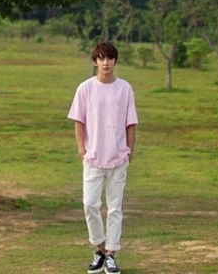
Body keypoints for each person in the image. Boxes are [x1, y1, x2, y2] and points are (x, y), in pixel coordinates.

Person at [67, 40, 138, 274]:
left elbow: (131, 122)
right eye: (101, 58)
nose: (105, 62)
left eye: (109, 58)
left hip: (118, 158)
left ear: (115, 61)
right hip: (93, 158)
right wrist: (81, 149)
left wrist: (129, 150)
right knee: (90, 204)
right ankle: (99, 248)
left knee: (115, 208)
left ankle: (111, 256)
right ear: (95, 61)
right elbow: (79, 120)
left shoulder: (125, 88)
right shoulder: (85, 88)